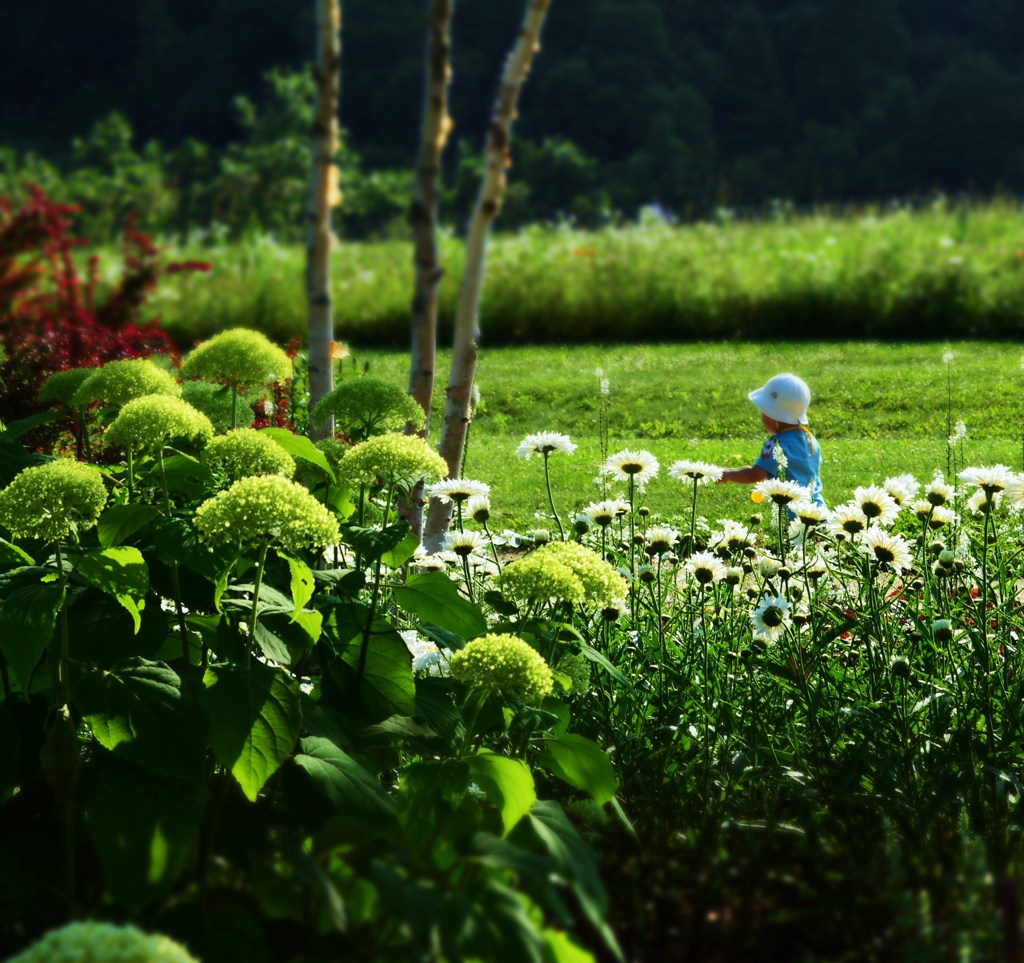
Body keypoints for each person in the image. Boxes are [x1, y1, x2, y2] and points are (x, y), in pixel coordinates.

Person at [717, 372, 826, 507]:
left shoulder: (777, 445)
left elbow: (755, 474)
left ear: (772, 416)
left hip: (793, 516)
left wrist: (728, 474)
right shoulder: (810, 439)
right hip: (819, 512)